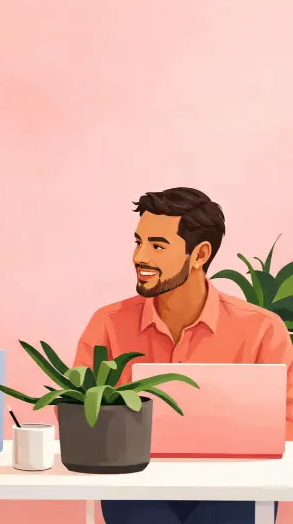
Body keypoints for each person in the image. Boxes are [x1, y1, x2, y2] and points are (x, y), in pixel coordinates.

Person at [73, 188, 291, 524]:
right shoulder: (108, 323)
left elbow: (287, 426)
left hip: (236, 487)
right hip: (136, 485)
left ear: (200, 254)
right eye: (138, 242)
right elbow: (78, 412)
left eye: (157, 246)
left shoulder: (262, 330)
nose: (139, 256)